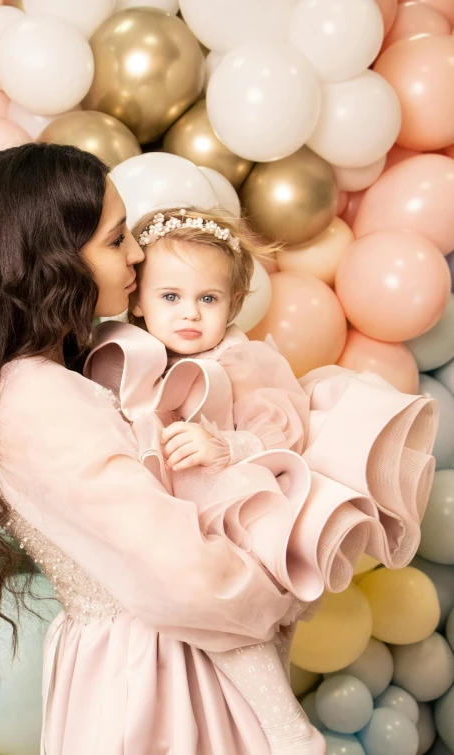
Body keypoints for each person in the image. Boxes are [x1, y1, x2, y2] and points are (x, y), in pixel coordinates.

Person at [0, 143, 323, 755]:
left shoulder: (47, 377)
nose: (137, 252)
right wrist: (279, 587)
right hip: (152, 669)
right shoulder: (35, 397)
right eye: (115, 238)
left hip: (148, 656)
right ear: (51, 259)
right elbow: (183, 573)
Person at [85, 207, 440, 752]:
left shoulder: (237, 359)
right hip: (173, 533)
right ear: (137, 300)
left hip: (245, 514)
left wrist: (224, 446)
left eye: (208, 299)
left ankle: (287, 730)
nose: (190, 314)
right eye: (170, 297)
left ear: (231, 304)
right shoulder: (129, 359)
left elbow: (284, 431)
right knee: (203, 669)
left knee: (254, 632)